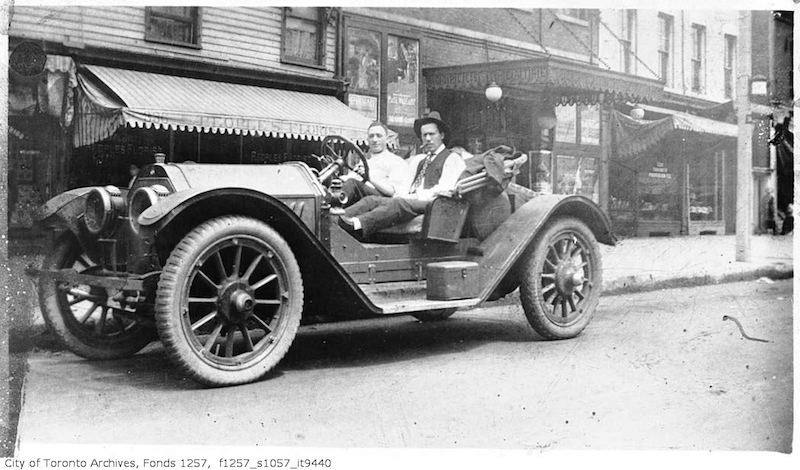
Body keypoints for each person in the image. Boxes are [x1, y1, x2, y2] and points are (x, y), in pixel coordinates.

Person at [339, 112, 465, 238]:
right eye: (424, 135)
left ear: (442, 135)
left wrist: (414, 197)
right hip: (414, 201)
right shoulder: (421, 160)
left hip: (434, 203)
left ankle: (356, 223)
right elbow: (406, 186)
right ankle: (338, 218)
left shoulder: (451, 158)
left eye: (432, 134)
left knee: (399, 203)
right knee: (371, 200)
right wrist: (403, 195)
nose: (427, 139)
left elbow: (444, 190)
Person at [340, 121, 406, 205]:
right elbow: (348, 179)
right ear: (367, 140)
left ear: (387, 138)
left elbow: (392, 192)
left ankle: (332, 210)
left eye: (379, 136)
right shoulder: (365, 161)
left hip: (381, 201)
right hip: (361, 198)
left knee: (352, 183)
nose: (374, 140)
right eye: (371, 136)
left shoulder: (396, 161)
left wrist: (369, 178)